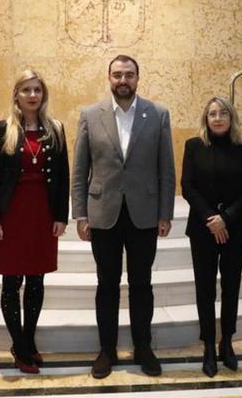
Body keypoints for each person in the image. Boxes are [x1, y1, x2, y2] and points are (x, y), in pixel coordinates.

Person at [72, 54, 175, 379]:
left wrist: (165, 212)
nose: (123, 80)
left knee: (142, 284)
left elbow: (167, 169)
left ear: (138, 78)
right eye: (117, 75)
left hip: (144, 213)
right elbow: (80, 169)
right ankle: (107, 349)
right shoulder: (91, 114)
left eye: (129, 75)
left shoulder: (157, 114)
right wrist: (80, 214)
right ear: (109, 78)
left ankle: (143, 347)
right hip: (103, 213)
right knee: (107, 285)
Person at [0, 70, 68, 374]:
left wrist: (61, 215)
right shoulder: (1, 129)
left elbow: (62, 177)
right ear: (16, 95)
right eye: (26, 90)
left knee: (36, 279)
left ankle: (28, 340)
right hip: (11, 214)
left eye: (37, 90)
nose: (33, 95)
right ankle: (19, 346)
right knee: (11, 280)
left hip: (41, 214)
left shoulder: (55, 129)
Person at [181, 96, 242, 377]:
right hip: (202, 228)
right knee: (205, 289)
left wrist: (226, 218)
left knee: (231, 287)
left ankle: (228, 341)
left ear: (231, 117)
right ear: (206, 118)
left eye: (223, 113)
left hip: (234, 227)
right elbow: (187, 186)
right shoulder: (194, 146)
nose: (217, 118)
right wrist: (211, 218)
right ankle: (209, 346)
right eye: (212, 113)